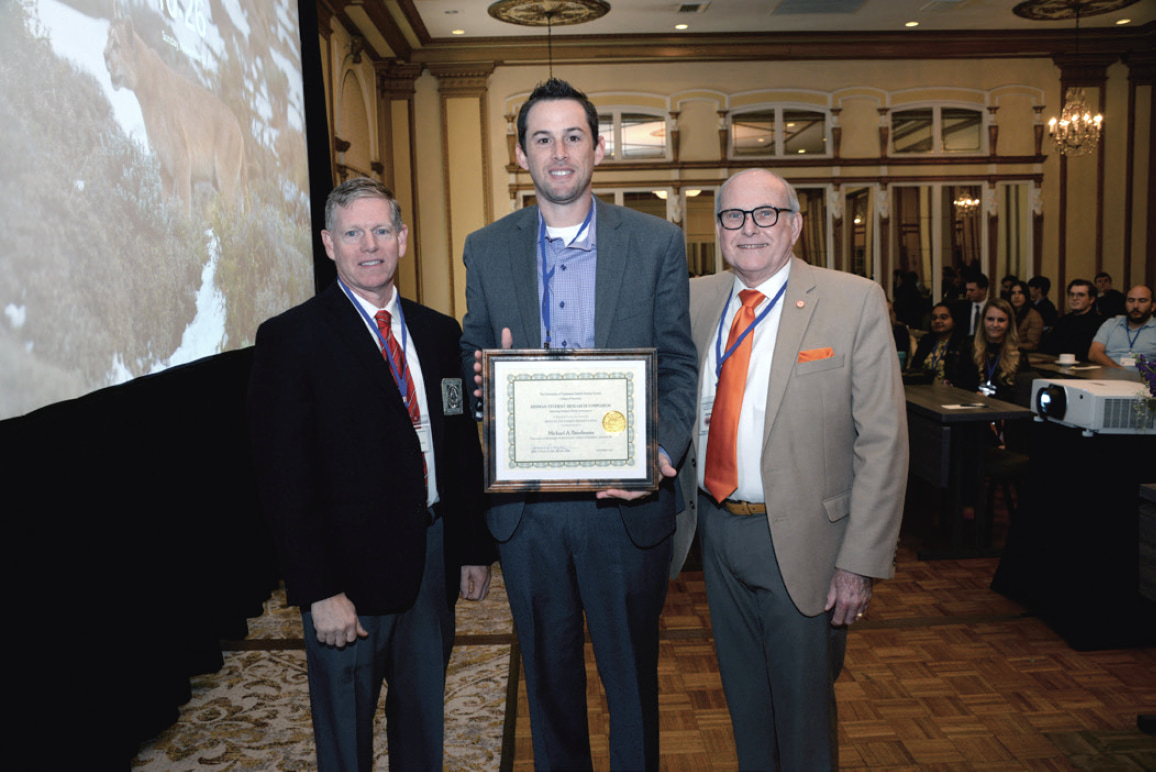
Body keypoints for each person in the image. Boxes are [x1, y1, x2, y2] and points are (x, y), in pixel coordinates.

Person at [459, 78, 697, 771]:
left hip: (623, 504)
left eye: (572, 137)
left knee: (631, 685)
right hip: (528, 511)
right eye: (542, 138)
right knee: (550, 686)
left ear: (599, 148)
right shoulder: (486, 247)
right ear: (521, 153)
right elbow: (474, 349)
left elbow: (679, 366)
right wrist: (482, 383)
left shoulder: (656, 243)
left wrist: (660, 452)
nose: (558, 152)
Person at [248, 178, 495, 772]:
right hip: (346, 581)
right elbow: (284, 480)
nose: (369, 245)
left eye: (382, 230)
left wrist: (471, 547)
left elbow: (460, 446)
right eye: (353, 233)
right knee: (346, 742)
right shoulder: (291, 338)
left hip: (432, 564)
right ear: (328, 243)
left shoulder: (439, 334)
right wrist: (317, 589)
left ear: (403, 239)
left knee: (422, 731)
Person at [673, 169, 907, 770]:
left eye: (765, 214)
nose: (748, 229)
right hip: (717, 533)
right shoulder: (695, 299)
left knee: (804, 719)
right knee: (746, 706)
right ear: (716, 227)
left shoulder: (853, 299)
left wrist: (859, 562)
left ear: (796, 225)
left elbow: (882, 441)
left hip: (807, 541)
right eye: (733, 216)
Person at [948, 298, 1022, 403]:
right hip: (969, 405)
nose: (995, 325)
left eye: (1001, 320)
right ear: (983, 320)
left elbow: (1018, 394)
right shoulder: (969, 346)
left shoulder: (1017, 353)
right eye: (990, 319)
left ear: (1009, 323)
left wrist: (991, 400)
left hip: (1002, 409)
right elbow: (958, 381)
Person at [1089, 285, 1156, 368]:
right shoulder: (1111, 324)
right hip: (1108, 378)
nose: (1135, 306)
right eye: (1131, 301)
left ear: (1153, 306)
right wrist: (1121, 372)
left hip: (1143, 379)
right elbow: (1094, 354)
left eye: (1142, 301)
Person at [1042, 279, 1103, 361]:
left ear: (1091, 299)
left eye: (1080, 295)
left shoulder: (1100, 323)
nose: (1074, 298)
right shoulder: (1062, 321)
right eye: (1071, 294)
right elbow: (1049, 349)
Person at [908, 302, 962, 383]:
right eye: (934, 318)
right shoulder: (926, 341)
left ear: (954, 320)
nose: (938, 321)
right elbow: (915, 368)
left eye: (943, 317)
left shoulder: (961, 343)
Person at [1008, 280, 1044, 351]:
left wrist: (1011, 346)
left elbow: (1033, 345)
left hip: (1025, 355)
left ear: (1026, 295)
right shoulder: (1007, 313)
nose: (1016, 296)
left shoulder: (1034, 316)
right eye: (1013, 293)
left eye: (1020, 293)